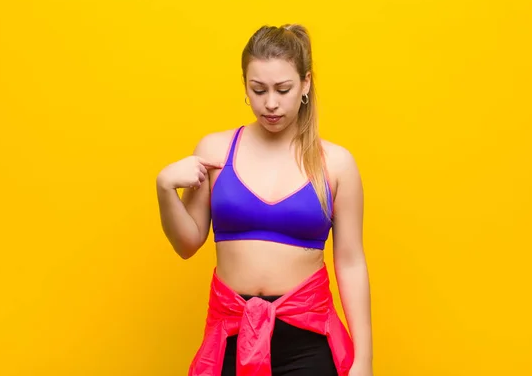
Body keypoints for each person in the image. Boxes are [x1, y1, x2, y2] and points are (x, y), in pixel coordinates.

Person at [156, 24, 373, 376]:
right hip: (230, 336)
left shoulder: (336, 164)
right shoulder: (214, 151)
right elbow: (187, 243)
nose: (270, 103)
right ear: (245, 85)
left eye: (282, 89)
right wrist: (164, 188)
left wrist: (364, 359)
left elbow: (350, 262)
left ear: (305, 84)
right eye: (258, 90)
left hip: (309, 341)